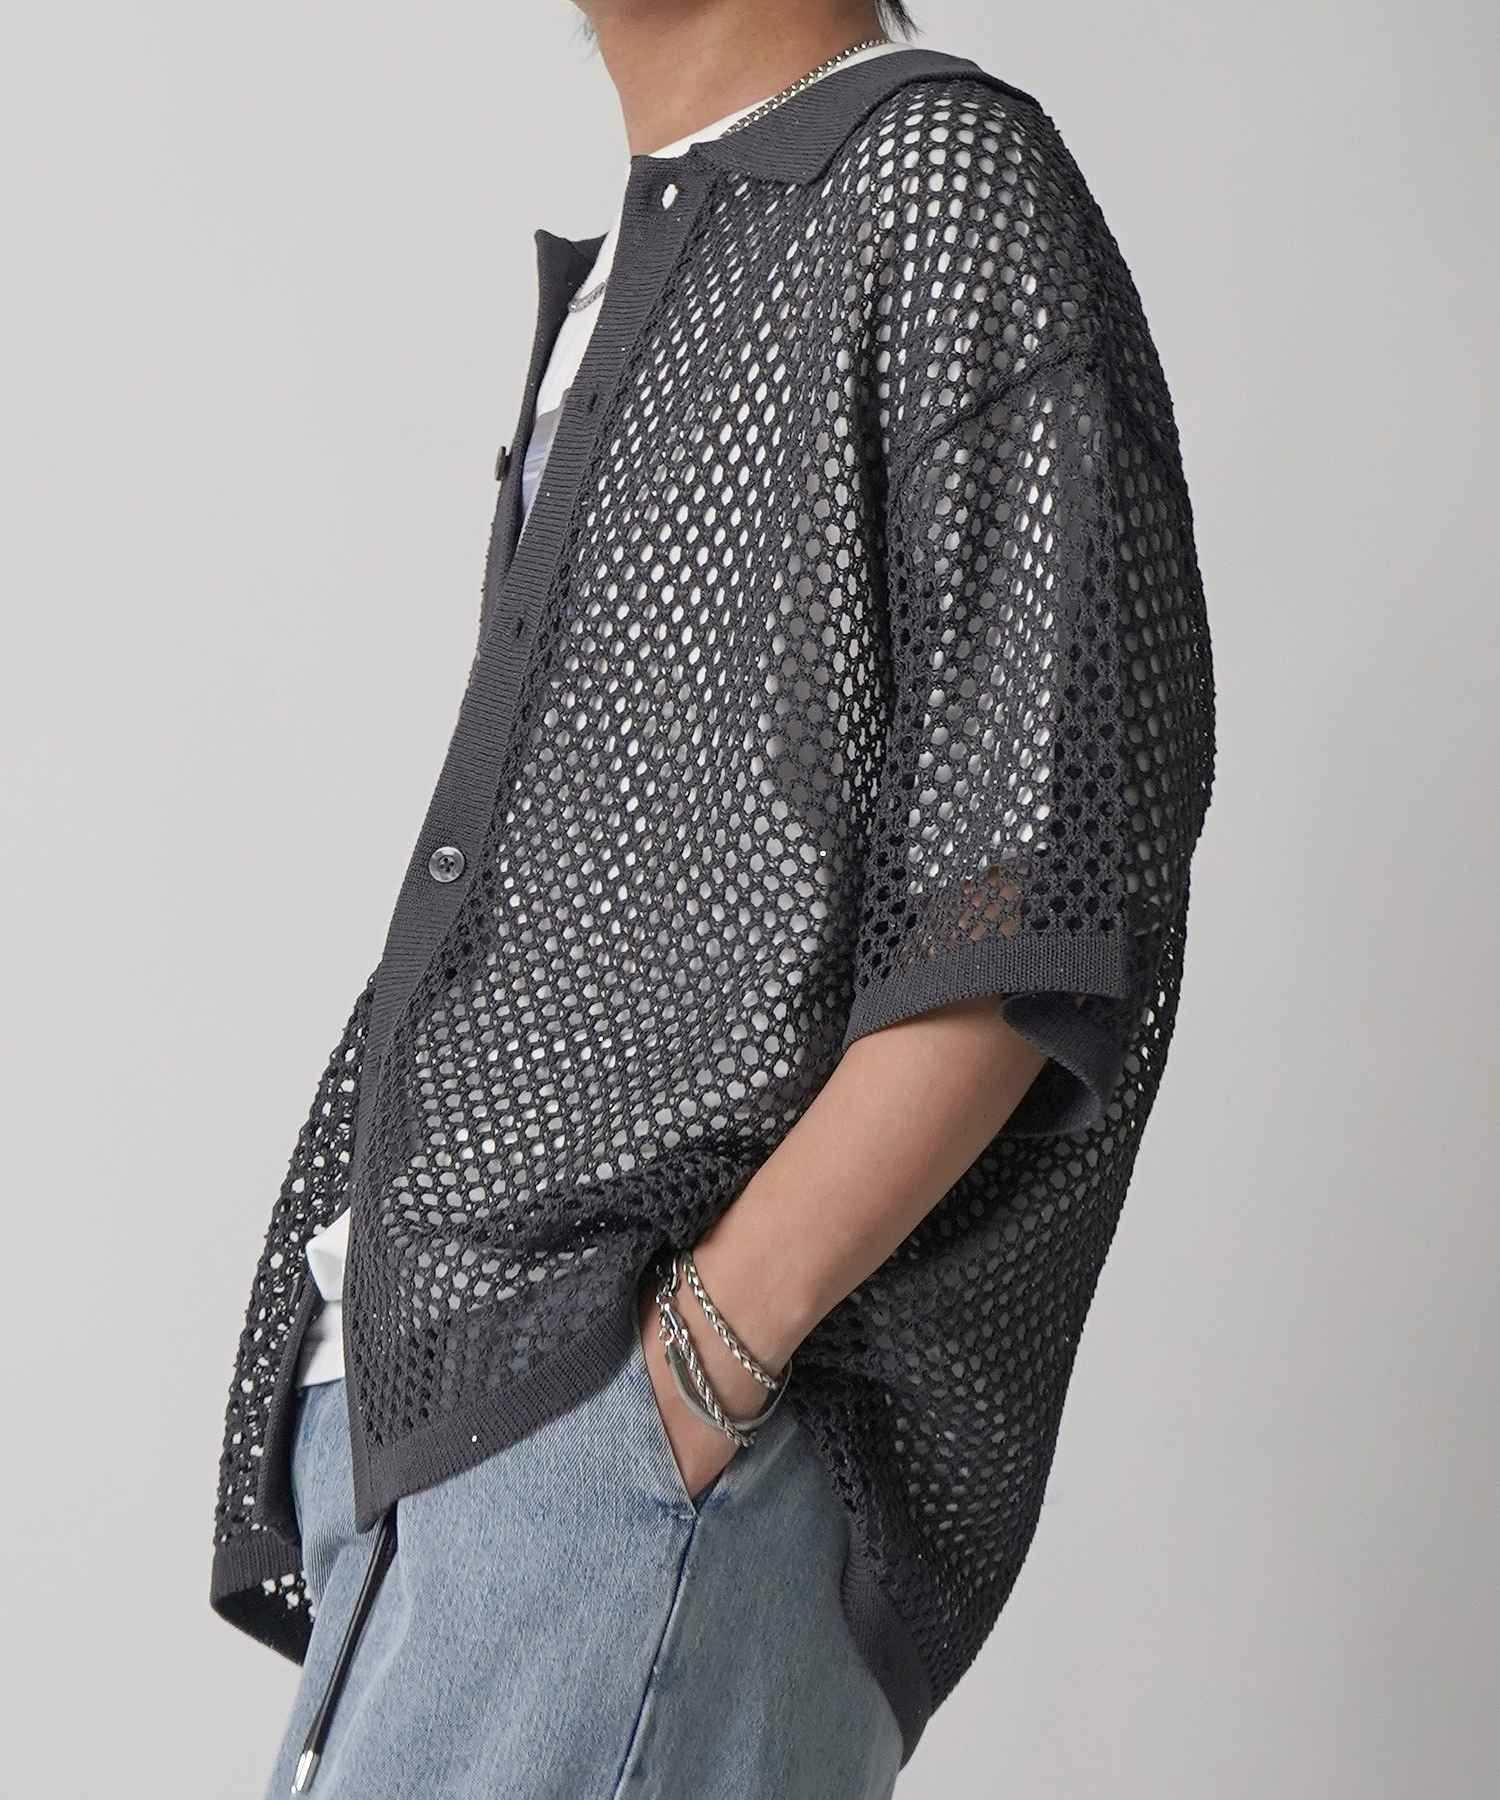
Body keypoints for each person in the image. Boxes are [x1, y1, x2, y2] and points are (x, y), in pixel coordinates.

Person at [210, 4, 1216, 1795]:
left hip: (621, 1457)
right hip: (453, 1431)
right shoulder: (672, 239)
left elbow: (1039, 879)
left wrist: (698, 1362)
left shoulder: (938, 182)